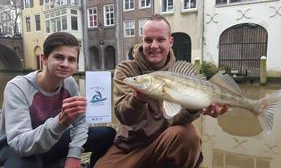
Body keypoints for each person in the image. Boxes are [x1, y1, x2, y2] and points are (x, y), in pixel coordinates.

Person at [94, 14, 227, 168]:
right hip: (128, 148)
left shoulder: (181, 74)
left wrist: (194, 107)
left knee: (189, 134)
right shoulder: (126, 70)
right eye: (148, 40)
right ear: (142, 41)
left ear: (170, 42)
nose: (154, 46)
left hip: (165, 143)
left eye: (160, 40)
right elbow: (125, 117)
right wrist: (138, 99)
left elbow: (178, 121)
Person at [0, 32, 116, 168]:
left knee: (107, 134)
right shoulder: (17, 87)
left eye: (71, 59)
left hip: (51, 141)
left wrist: (74, 154)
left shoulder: (70, 83)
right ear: (44, 59)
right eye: (59, 57)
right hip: (18, 148)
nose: (65, 64)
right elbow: (20, 144)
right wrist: (60, 121)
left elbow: (80, 122)